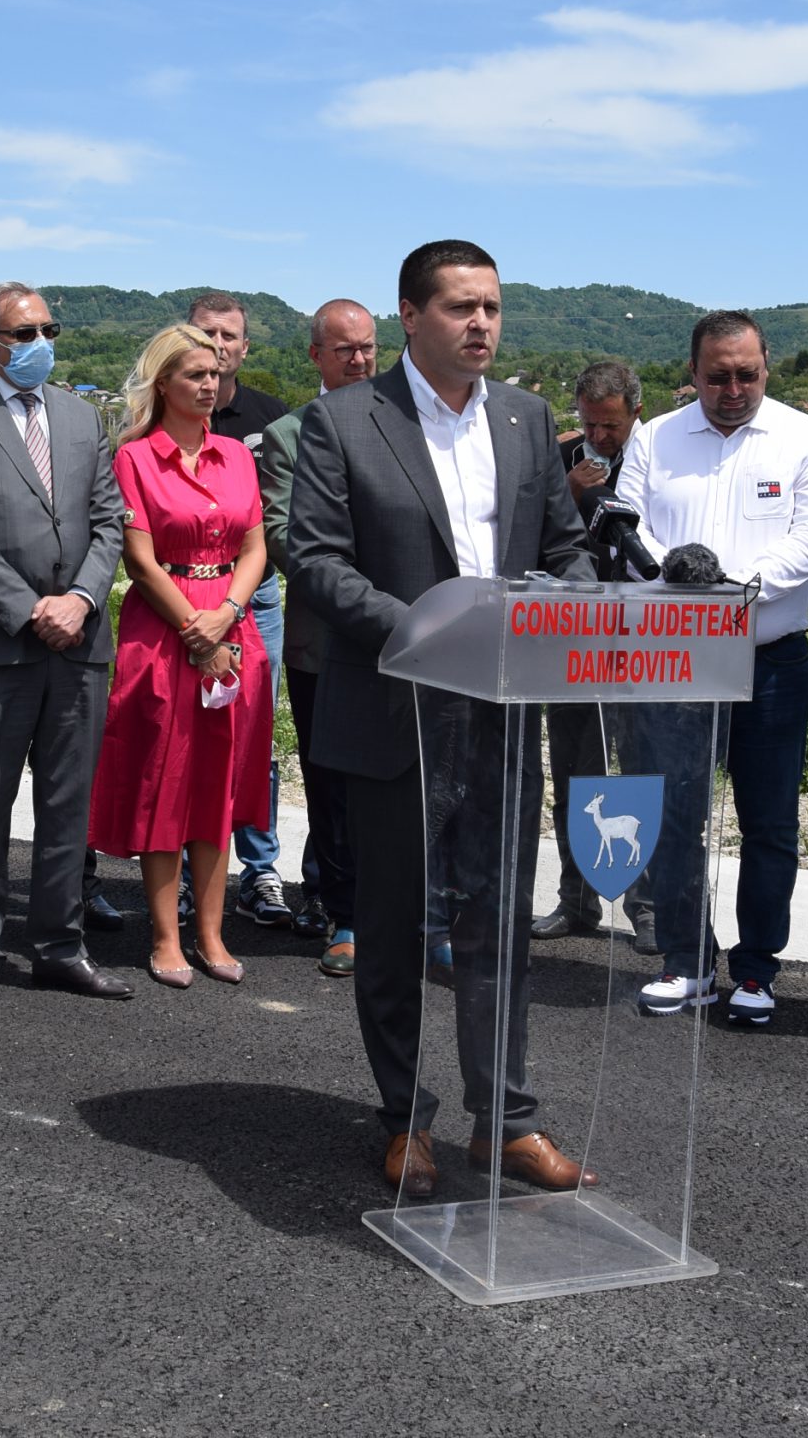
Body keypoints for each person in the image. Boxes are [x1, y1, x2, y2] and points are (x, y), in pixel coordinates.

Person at [290, 239, 597, 1199]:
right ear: (412, 315)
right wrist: (428, 629)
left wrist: (579, 601)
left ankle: (505, 1119)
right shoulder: (345, 419)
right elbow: (317, 557)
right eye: (462, 307)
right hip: (397, 709)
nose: (481, 324)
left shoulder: (526, 417)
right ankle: (405, 1119)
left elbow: (565, 546)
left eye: (492, 308)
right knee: (393, 927)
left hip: (502, 713)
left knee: (497, 923)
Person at [610, 313, 808, 1022]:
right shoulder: (654, 437)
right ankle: (687, 961)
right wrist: (673, 573)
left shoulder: (807, 438)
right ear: (693, 372)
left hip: (770, 658)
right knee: (676, 817)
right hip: (675, 656)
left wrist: (732, 588)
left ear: (767, 367)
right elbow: (628, 524)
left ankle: (757, 970)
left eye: (747, 375)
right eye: (717, 377)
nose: (733, 389)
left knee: (768, 822)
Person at [0, 282, 132, 1018]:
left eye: (48, 330)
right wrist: (29, 608)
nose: (42, 343)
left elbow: (108, 519)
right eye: (25, 332)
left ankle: (60, 945)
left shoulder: (80, 415)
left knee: (68, 803)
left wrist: (82, 599)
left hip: (79, 641)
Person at [89, 325, 271, 986]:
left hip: (231, 627)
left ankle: (212, 934)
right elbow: (139, 560)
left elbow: (255, 546)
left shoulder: (237, 455)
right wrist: (199, 630)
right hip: (166, 629)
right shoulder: (134, 458)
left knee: (218, 785)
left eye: (215, 373)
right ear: (163, 382)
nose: (209, 384)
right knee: (166, 781)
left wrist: (229, 615)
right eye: (195, 373)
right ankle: (165, 936)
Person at [256, 297, 377, 976]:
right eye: (344, 349)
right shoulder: (289, 435)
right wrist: (363, 585)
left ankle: (410, 912)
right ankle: (345, 914)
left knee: (401, 782)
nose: (359, 359)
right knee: (330, 785)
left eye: (368, 347)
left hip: (404, 635)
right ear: (316, 356)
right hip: (324, 639)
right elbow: (282, 534)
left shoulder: (407, 423)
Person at [531, 359, 658, 948]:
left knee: (635, 774)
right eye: (589, 424)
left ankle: (646, 907)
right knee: (577, 773)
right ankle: (576, 900)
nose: (599, 436)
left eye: (611, 425)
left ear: (637, 412)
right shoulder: (560, 460)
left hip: (640, 644)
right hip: (574, 643)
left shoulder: (658, 460)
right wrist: (569, 494)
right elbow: (531, 538)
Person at [187, 291, 293, 929]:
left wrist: (236, 599)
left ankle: (260, 868)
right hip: (183, 601)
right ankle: (185, 869)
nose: (218, 346)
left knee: (254, 733)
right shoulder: (161, 416)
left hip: (258, 596)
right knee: (186, 734)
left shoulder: (270, 418)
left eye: (229, 336)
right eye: (207, 334)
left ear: (245, 348)